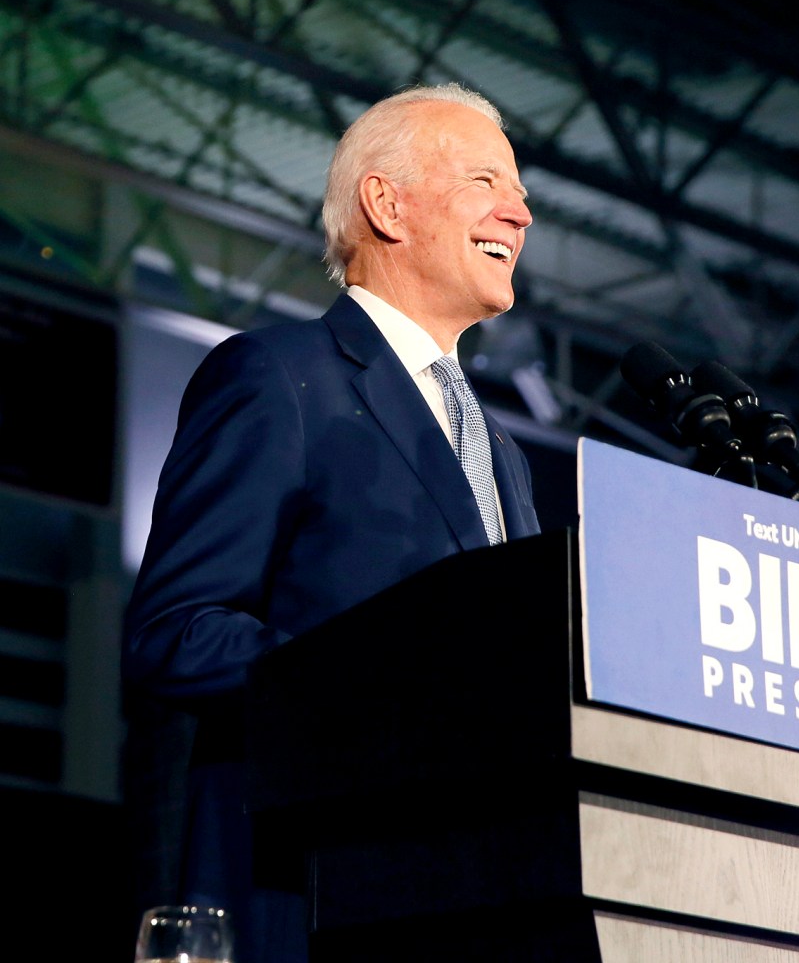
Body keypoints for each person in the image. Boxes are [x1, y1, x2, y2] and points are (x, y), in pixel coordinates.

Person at [121, 82, 540, 963]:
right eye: (484, 181)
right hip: (316, 898)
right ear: (385, 204)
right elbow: (176, 632)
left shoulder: (503, 452)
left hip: (483, 897)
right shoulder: (277, 378)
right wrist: (377, 677)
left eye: (522, 192)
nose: (520, 212)